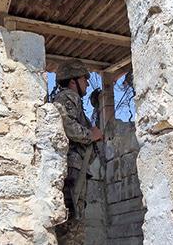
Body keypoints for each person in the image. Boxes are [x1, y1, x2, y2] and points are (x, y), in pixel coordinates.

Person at [52, 59, 103, 245]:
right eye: (84, 78)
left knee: (75, 217)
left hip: (76, 169)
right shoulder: (68, 97)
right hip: (72, 170)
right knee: (71, 219)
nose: (88, 83)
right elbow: (68, 126)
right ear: (73, 81)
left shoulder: (73, 100)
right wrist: (92, 135)